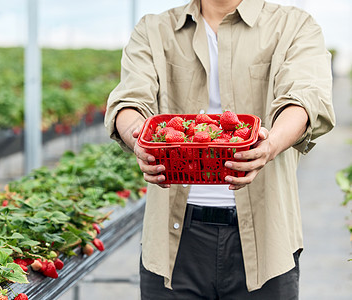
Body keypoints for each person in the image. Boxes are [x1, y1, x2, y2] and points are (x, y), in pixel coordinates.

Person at [104, 0, 335, 298]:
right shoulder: (155, 30)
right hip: (173, 242)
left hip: (266, 239)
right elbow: (128, 102)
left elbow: (306, 98)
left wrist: (271, 143)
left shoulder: (293, 25)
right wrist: (138, 138)